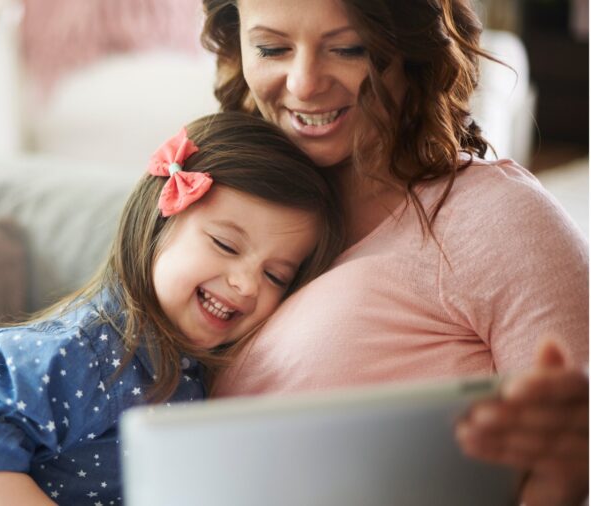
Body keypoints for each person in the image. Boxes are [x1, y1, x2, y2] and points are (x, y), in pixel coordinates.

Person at [201, 0, 589, 504]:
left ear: (410, 45)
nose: (303, 84)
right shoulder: (220, 208)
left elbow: (572, 459)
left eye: (347, 48)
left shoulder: (499, 220)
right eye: (272, 48)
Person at [0, 111, 345, 505]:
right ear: (158, 223)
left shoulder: (192, 368)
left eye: (276, 276)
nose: (247, 284)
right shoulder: (83, 349)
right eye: (226, 245)